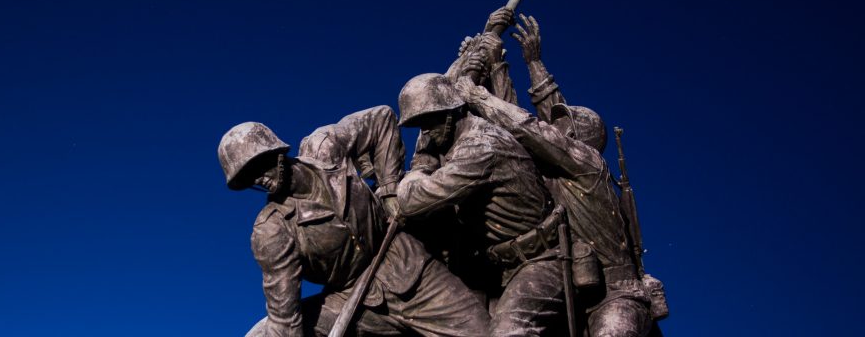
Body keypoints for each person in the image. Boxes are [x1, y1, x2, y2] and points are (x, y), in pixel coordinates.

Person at [218, 106, 489, 337]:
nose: (259, 180)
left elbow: (382, 119)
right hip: (352, 300)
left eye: (258, 167)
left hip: (410, 270)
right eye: (248, 178)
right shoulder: (272, 231)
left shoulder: (324, 147)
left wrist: (390, 190)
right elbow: (284, 317)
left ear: (276, 152)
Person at [458, 74, 653, 337]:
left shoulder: (588, 163)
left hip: (615, 294)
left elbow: (527, 128)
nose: (549, 127)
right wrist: (501, 67)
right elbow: (513, 129)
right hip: (570, 285)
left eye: (556, 125)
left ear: (572, 135)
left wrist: (477, 96)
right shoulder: (552, 176)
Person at [396, 73, 569, 337]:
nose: (425, 133)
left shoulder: (480, 146)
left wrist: (419, 167)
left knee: (509, 332)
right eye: (418, 126)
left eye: (427, 123)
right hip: (495, 263)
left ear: (450, 114)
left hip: (540, 260)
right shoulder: (457, 141)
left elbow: (412, 202)